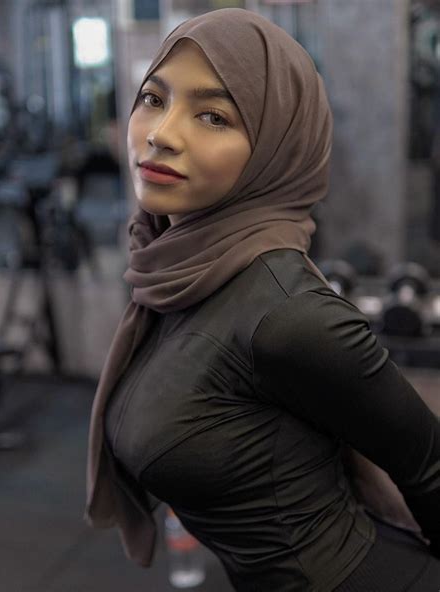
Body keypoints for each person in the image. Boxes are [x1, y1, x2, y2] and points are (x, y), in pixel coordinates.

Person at [84, 8, 440, 591]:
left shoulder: (287, 312)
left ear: (277, 148)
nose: (161, 132)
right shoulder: (173, 275)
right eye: (153, 98)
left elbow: (430, 466)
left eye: (213, 116)